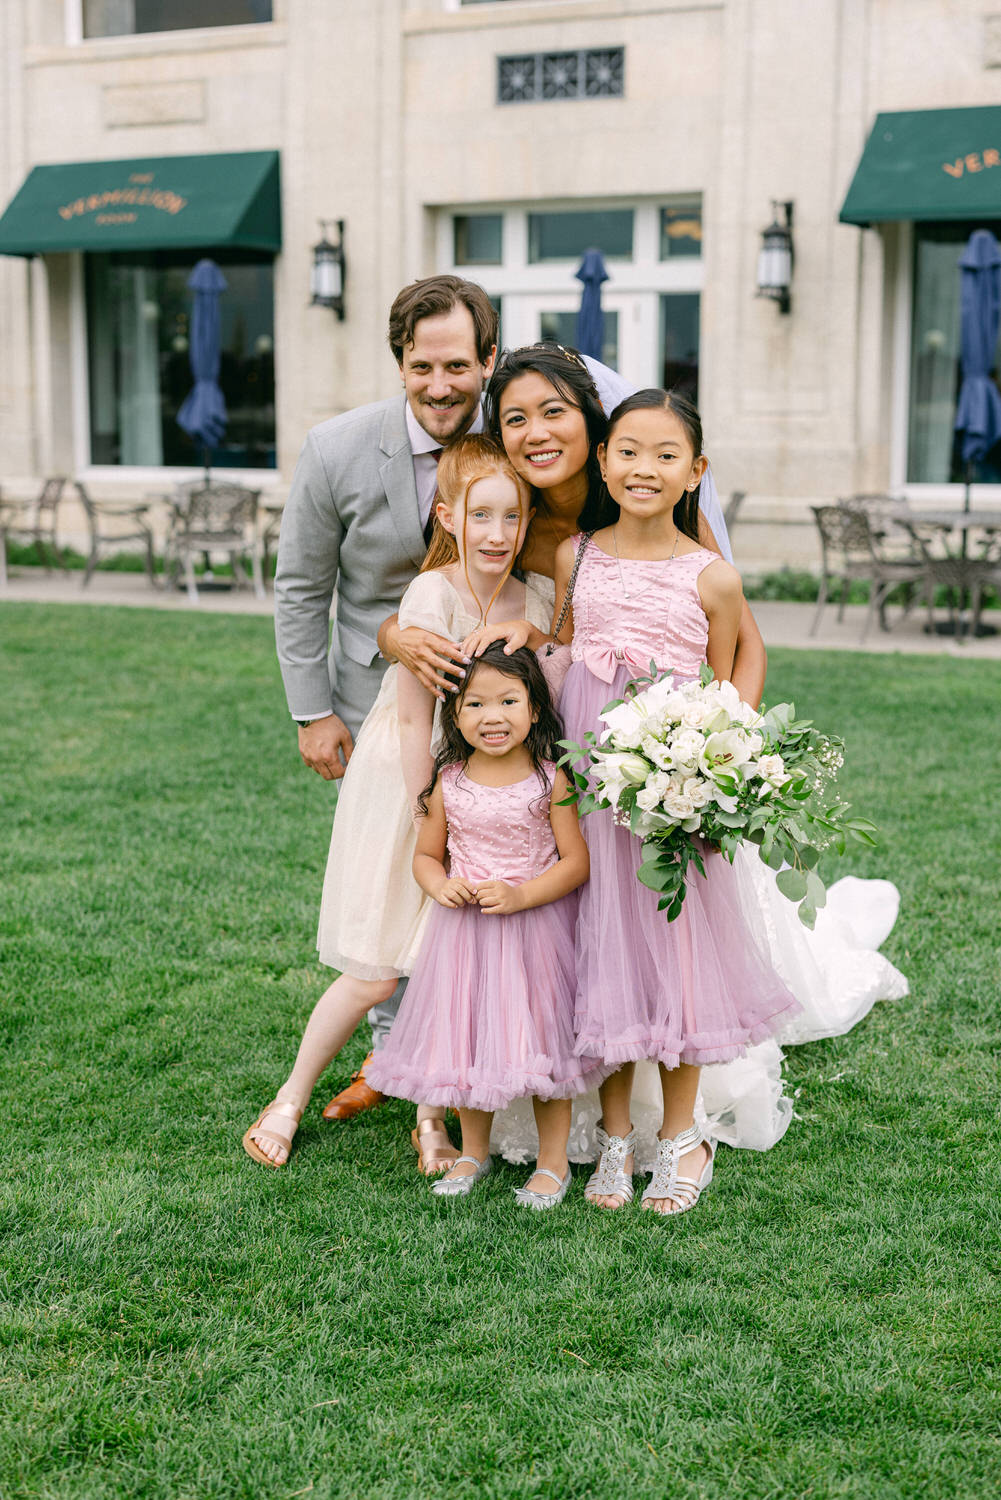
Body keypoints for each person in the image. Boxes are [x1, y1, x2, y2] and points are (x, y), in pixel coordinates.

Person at [463, 388, 809, 1214]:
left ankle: (682, 1137)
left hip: (668, 785)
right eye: (626, 450)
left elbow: (729, 684)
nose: (642, 468)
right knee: (599, 946)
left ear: (694, 472)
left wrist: (723, 769)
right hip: (588, 773)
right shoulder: (576, 555)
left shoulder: (712, 576)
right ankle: (615, 1137)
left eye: (663, 455)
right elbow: (571, 649)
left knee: (672, 949)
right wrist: (525, 646)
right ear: (604, 463)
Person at [245, 436, 553, 1168]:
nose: (496, 535)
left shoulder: (532, 597)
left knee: (450, 958)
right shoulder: (430, 595)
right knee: (380, 967)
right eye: (481, 517)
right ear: (448, 517)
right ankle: (287, 1099)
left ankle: (430, 1125)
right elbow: (416, 717)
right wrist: (431, 811)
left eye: (511, 518)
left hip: (485, 790)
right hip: (408, 783)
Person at [272, 274, 496, 1131]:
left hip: (500, 715)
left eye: (457, 366)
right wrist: (312, 710)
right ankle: (389, 1051)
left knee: (477, 877)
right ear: (399, 362)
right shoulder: (334, 449)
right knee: (389, 882)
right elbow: (302, 588)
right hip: (377, 712)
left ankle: (448, 1055)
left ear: (486, 361)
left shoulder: (515, 442)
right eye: (420, 366)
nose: (439, 387)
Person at [367, 645, 595, 1208]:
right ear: (456, 715)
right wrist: (439, 884)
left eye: (509, 701)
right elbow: (426, 856)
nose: (493, 717)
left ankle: (552, 1161)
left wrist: (520, 895)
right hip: (464, 938)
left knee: (544, 1046)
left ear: (535, 709)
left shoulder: (551, 780)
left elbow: (576, 863)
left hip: (534, 934)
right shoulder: (450, 781)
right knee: (465, 1040)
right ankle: (474, 1149)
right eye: (476, 704)